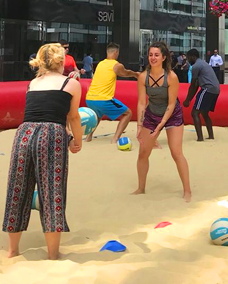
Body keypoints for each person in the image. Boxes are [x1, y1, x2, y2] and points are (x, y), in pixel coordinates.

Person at [2, 43, 83, 260]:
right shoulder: (71, 83)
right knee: (52, 192)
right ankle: (53, 254)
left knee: (17, 191)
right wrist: (76, 139)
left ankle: (12, 251)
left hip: (24, 133)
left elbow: (39, 111)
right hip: (52, 134)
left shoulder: (33, 83)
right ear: (61, 61)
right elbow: (72, 116)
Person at [132, 42, 191, 202]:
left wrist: (161, 125)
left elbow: (172, 104)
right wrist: (139, 125)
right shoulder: (143, 76)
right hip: (152, 114)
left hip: (172, 114)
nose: (153, 58)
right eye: (150, 55)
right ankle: (141, 188)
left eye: (156, 55)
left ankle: (187, 190)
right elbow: (141, 103)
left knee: (176, 152)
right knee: (143, 153)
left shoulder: (171, 76)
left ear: (164, 58)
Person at [85, 43, 139, 144]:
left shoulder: (100, 64)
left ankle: (88, 137)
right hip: (103, 100)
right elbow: (126, 73)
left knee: (98, 115)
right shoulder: (116, 65)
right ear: (116, 52)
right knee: (128, 113)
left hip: (89, 98)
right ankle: (115, 139)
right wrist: (136, 74)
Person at [183, 48, 220, 141]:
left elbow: (193, 85)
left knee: (194, 113)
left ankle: (200, 138)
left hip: (208, 88)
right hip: (216, 90)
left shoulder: (196, 66)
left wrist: (188, 100)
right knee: (204, 112)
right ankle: (211, 135)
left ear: (193, 57)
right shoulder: (203, 63)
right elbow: (196, 86)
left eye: (188, 58)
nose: (187, 60)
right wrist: (189, 99)